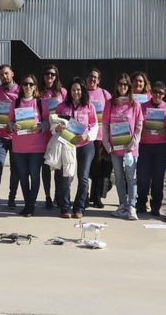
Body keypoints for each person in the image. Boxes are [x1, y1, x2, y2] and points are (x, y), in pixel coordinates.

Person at [53, 77, 97, 219]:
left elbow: (95, 126)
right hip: (67, 144)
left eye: (78, 89)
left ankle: (79, 207)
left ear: (82, 90)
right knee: (66, 176)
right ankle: (65, 207)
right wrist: (57, 128)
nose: (75, 92)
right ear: (69, 91)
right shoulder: (62, 106)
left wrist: (87, 136)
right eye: (73, 89)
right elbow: (54, 125)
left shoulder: (89, 106)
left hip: (85, 145)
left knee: (83, 177)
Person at [103, 73, 144, 220]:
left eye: (125, 84)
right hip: (115, 149)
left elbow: (139, 126)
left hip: (130, 149)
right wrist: (107, 144)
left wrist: (132, 144)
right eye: (120, 84)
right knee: (119, 177)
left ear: (129, 86)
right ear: (116, 86)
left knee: (131, 177)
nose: (122, 87)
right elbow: (106, 125)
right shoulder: (110, 103)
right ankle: (122, 205)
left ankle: (132, 206)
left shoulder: (135, 104)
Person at [9, 74, 49, 217]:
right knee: (23, 176)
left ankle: (30, 206)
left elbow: (47, 122)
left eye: (31, 84)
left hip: (36, 147)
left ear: (35, 87)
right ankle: (28, 205)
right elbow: (10, 121)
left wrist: (41, 126)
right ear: (21, 86)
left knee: (34, 175)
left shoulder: (40, 103)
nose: (28, 87)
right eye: (25, 84)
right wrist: (13, 126)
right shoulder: (16, 103)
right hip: (19, 146)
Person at [136, 81, 166, 217]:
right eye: (155, 92)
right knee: (143, 177)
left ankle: (156, 206)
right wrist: (141, 130)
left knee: (158, 177)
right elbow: (135, 124)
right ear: (151, 92)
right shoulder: (141, 107)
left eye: (161, 93)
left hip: (162, 147)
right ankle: (141, 203)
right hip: (145, 146)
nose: (157, 95)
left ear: (164, 95)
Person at [0, 64, 19, 212]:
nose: (4, 76)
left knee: (15, 170)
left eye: (6, 73)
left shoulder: (21, 90)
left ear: (12, 73)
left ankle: (11, 199)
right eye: (1, 74)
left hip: (16, 138)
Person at [40, 64, 66, 210]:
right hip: (44, 134)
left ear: (56, 76)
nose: (49, 77)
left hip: (59, 134)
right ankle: (47, 196)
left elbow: (68, 111)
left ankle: (57, 195)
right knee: (45, 167)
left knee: (58, 166)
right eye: (47, 74)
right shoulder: (39, 93)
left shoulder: (63, 92)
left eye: (52, 74)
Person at [86, 68, 112, 209]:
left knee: (98, 168)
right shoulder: (82, 92)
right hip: (85, 137)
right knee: (86, 169)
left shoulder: (104, 94)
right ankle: (84, 195)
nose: (93, 79)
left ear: (99, 80)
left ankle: (96, 197)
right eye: (90, 76)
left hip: (101, 137)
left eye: (95, 77)